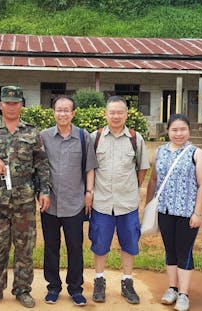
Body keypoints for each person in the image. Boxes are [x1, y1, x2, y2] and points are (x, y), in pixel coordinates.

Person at [0, 86, 51, 309]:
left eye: (15, 103)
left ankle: (22, 290)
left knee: (24, 248)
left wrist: (44, 191)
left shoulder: (32, 133)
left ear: (21, 105)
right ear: (1, 105)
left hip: (24, 201)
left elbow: (42, 165)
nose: (11, 106)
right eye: (7, 102)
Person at [145, 114, 202, 311]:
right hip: (164, 210)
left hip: (186, 212)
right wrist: (148, 207)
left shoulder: (196, 153)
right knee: (170, 249)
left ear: (189, 131)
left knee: (184, 251)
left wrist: (197, 213)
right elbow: (153, 180)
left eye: (182, 129)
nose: (178, 133)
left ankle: (183, 293)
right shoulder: (160, 152)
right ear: (168, 131)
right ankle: (172, 288)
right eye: (174, 129)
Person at [89, 96, 150, 305]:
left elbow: (142, 169)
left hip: (127, 204)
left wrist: (131, 188)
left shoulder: (135, 138)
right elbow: (89, 169)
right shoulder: (94, 137)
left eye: (120, 112)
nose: (116, 116)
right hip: (102, 203)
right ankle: (99, 280)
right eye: (112, 112)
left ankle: (127, 281)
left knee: (129, 244)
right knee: (99, 244)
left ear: (126, 114)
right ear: (105, 114)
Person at [39, 96, 97, 306]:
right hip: (50, 204)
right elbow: (39, 168)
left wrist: (89, 192)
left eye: (67, 110)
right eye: (58, 110)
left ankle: (76, 289)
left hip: (75, 203)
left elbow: (90, 167)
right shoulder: (44, 137)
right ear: (53, 112)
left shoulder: (83, 137)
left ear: (73, 113)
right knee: (51, 246)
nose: (62, 114)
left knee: (75, 247)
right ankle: (53, 287)